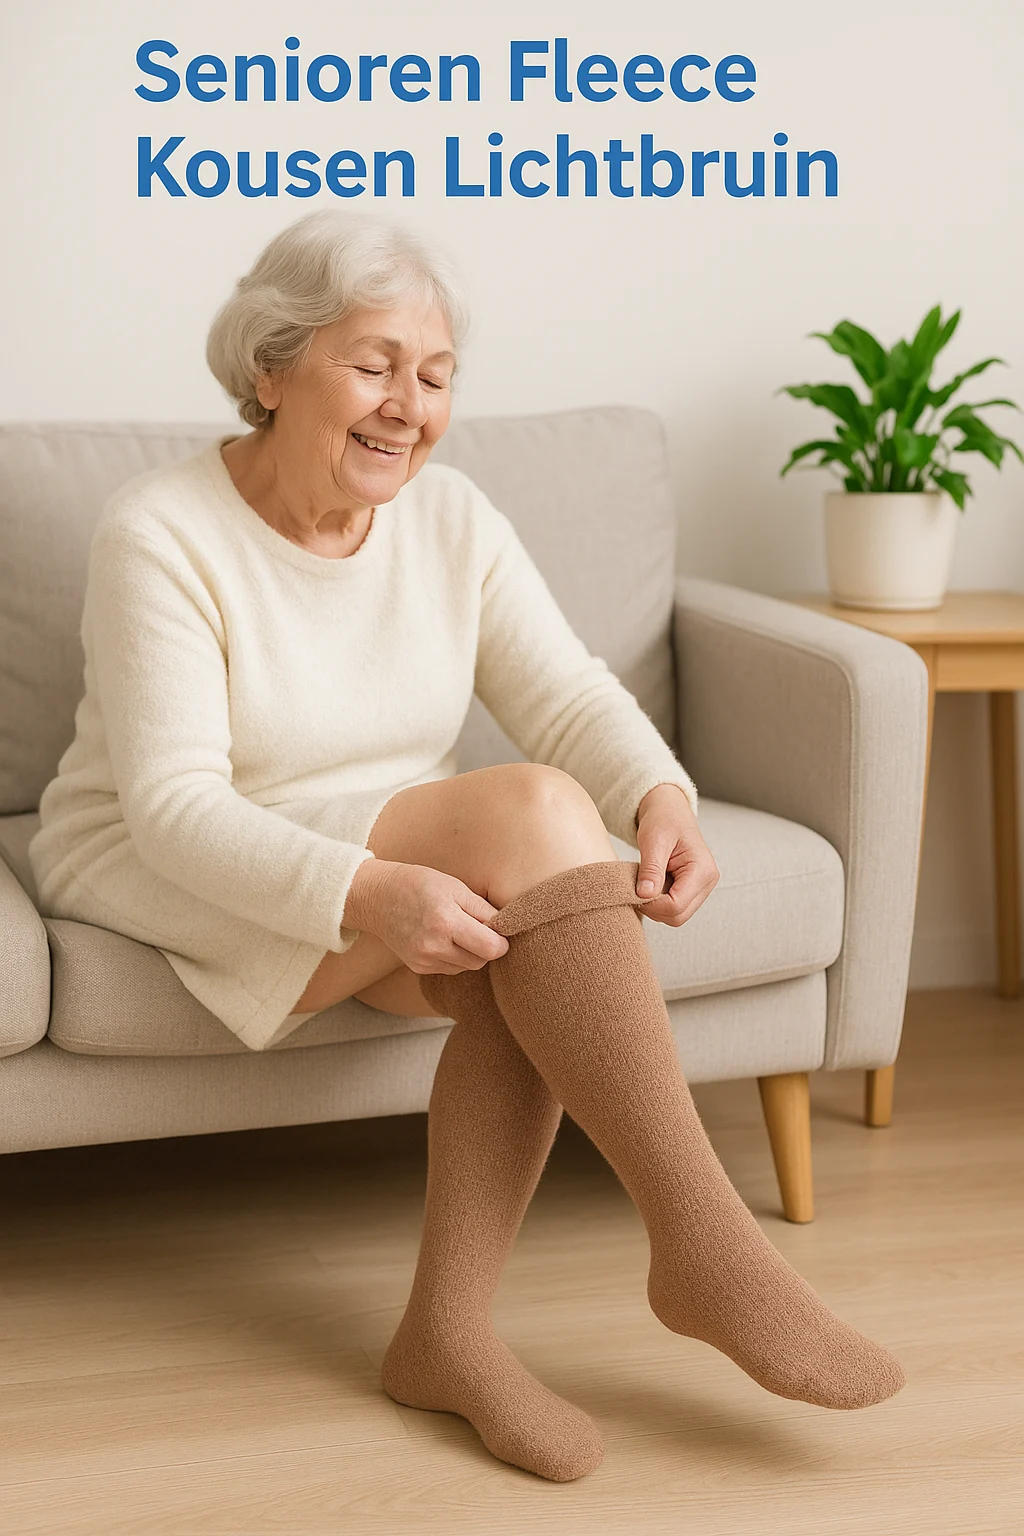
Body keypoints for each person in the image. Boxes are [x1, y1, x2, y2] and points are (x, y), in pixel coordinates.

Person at [29, 210, 904, 1483]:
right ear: (271, 368)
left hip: (370, 828)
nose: (410, 406)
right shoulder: (159, 530)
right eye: (374, 364)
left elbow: (568, 690)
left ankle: (443, 1334)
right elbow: (171, 806)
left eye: (436, 377)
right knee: (536, 814)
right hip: (161, 853)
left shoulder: (450, 518)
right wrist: (367, 890)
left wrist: (659, 794)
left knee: (533, 950)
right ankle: (705, 1251)